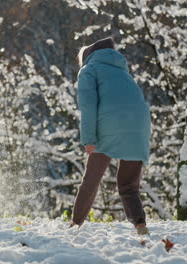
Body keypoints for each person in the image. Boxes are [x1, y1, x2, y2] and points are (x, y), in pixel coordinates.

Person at [71, 37, 151, 235]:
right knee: (128, 184)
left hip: (108, 126)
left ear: (87, 56)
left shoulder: (89, 70)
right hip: (139, 127)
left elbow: (88, 107)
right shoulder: (124, 73)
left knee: (91, 180)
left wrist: (89, 139)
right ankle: (140, 225)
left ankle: (75, 224)